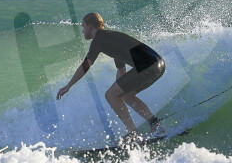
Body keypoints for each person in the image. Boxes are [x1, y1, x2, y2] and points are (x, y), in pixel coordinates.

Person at [55, 12, 166, 142]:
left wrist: (68, 86)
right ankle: (156, 125)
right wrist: (118, 93)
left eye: (83, 26)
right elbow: (121, 70)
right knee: (126, 95)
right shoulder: (111, 39)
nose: (83, 31)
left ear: (90, 26)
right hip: (158, 65)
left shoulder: (99, 38)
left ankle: (133, 132)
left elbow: (86, 64)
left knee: (110, 95)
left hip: (148, 66)